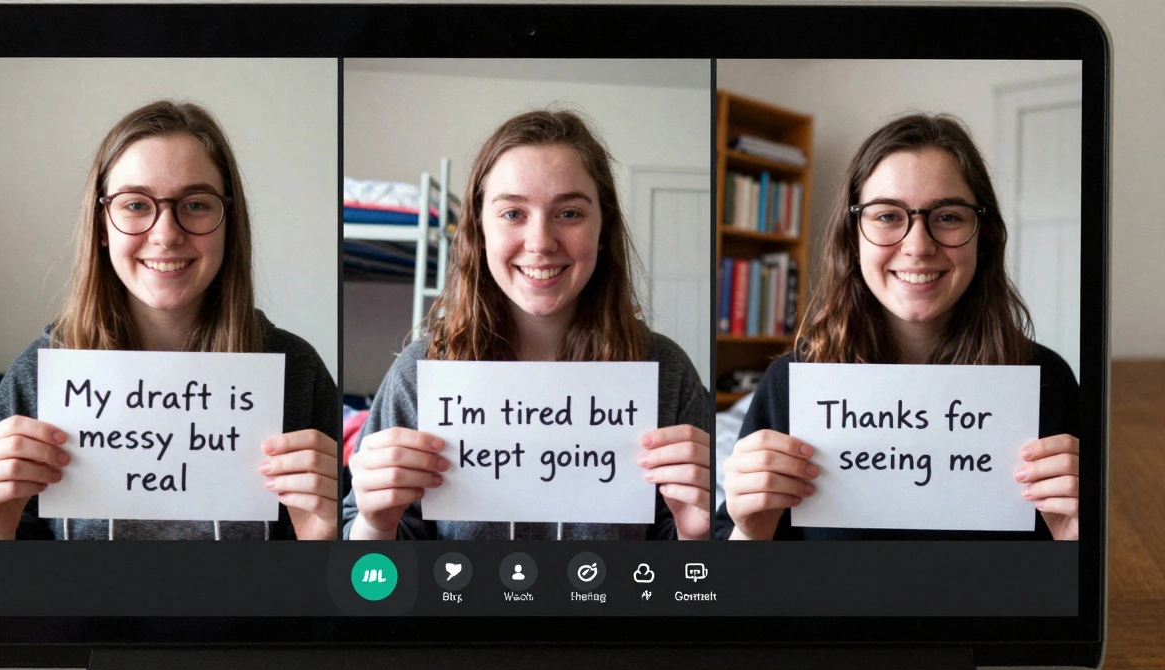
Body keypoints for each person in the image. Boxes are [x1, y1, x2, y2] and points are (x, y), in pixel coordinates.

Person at [342, 109, 712, 540]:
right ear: (479, 228)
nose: (540, 242)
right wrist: (372, 523)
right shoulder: (423, 370)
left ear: (603, 227)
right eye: (513, 213)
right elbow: (369, 569)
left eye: (569, 213)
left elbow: (687, 582)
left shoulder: (665, 371)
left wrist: (697, 534)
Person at [0, 100, 339, 541]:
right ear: (103, 225)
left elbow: (328, 598)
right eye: (134, 204)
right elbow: (5, 595)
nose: (166, 234)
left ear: (229, 220)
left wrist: (323, 538)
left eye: (195, 204)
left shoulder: (297, 372)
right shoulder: (40, 374)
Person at [716, 113, 1080, 542]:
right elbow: (731, 591)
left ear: (984, 236)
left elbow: (1061, 590)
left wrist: (1076, 542)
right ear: (852, 237)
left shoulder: (1046, 382)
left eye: (948, 216)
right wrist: (749, 531)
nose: (918, 246)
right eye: (887, 216)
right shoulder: (792, 385)